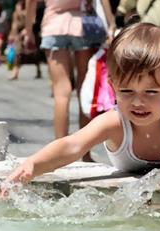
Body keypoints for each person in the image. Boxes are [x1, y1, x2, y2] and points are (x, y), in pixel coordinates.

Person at [0, 23, 160, 198]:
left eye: (151, 92)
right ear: (113, 87)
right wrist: (33, 164)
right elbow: (72, 145)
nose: (138, 102)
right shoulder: (115, 123)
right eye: (126, 91)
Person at [24, 0, 115, 161]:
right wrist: (111, 23)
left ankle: (59, 155)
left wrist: (29, 30)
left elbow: (30, 2)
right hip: (80, 27)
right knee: (83, 89)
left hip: (52, 27)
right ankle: (85, 153)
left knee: (61, 92)